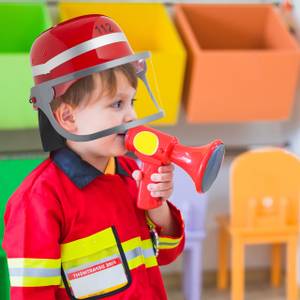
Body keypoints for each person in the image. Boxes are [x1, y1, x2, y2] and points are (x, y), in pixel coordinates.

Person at [2, 14, 185, 300]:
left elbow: (168, 253)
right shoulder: (39, 202)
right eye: (116, 103)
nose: (132, 116)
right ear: (67, 117)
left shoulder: (129, 171)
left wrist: (158, 209)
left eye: (132, 102)